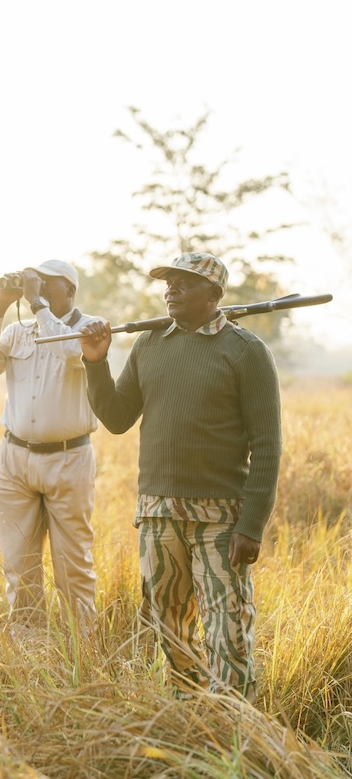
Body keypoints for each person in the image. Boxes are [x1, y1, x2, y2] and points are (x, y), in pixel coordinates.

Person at [79, 252, 282, 699]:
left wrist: (251, 525)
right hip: (157, 512)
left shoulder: (246, 351)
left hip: (220, 518)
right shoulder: (149, 346)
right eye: (168, 282)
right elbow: (115, 418)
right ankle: (188, 718)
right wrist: (95, 362)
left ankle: (236, 729)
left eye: (184, 283)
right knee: (169, 627)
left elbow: (267, 445)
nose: (171, 289)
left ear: (214, 295)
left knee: (227, 626)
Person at [0, 259, 100, 629]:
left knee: (72, 564)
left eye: (46, 285)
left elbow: (74, 355)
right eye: (35, 283)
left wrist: (38, 306)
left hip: (68, 458)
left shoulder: (88, 327)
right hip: (14, 458)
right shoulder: (16, 332)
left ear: (70, 291)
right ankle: (30, 647)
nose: (37, 290)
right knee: (18, 562)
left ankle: (82, 645)